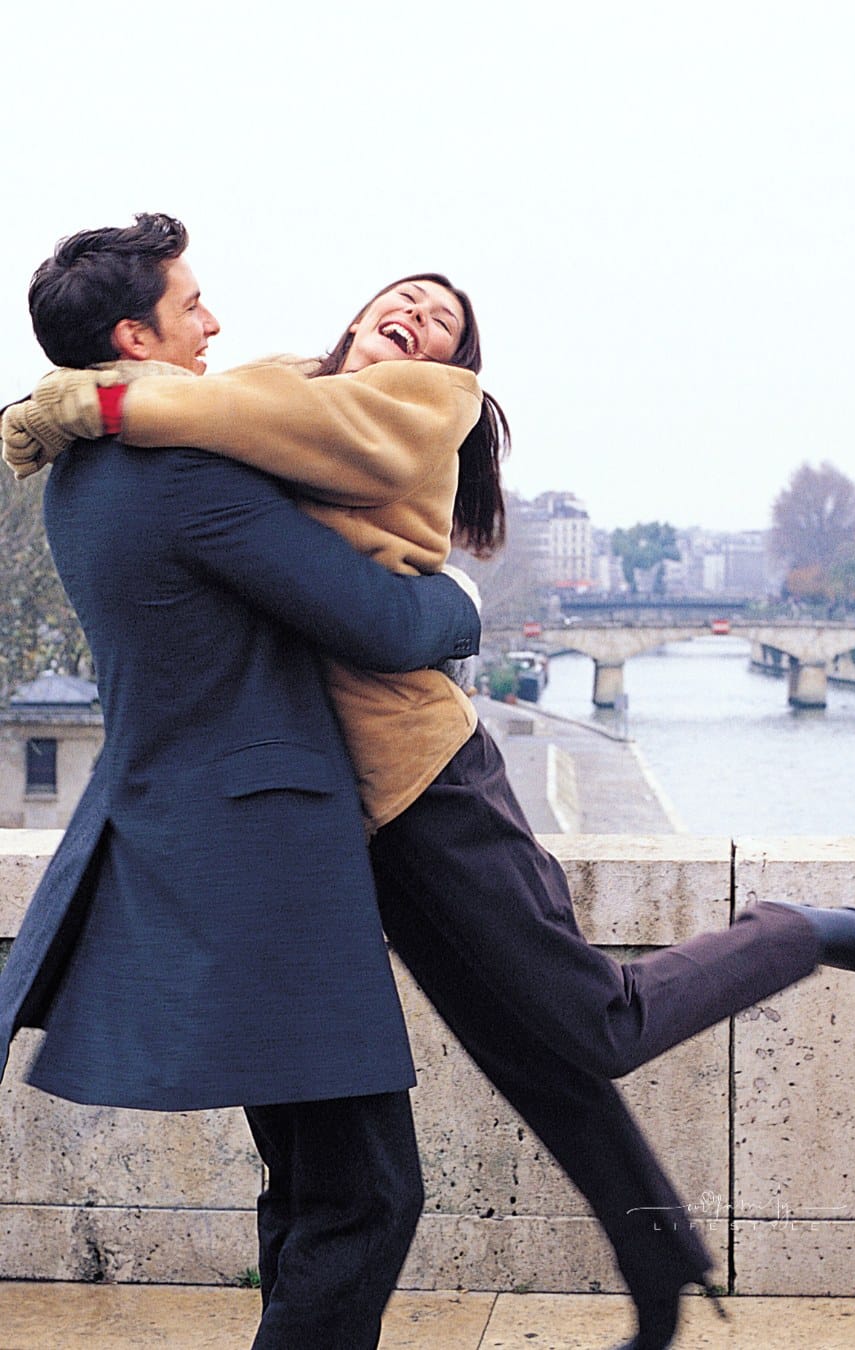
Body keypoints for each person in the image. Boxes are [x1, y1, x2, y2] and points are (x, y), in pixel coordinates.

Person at [6, 262, 855, 1350]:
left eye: (443, 323)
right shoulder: (271, 398)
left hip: (423, 777)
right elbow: (211, 405)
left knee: (585, 1024)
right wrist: (71, 406)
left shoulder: (415, 398)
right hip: (325, 816)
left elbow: (331, 564)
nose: (420, 319)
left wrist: (71, 405)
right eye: (405, 298)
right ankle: (655, 1254)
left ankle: (799, 930)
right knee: (516, 1046)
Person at [0, 215, 483, 1350]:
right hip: (266, 870)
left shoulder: (86, 474)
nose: (215, 322)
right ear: (135, 333)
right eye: (192, 305)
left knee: (314, 1187)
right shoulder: (178, 481)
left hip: (211, 848)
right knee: (369, 1195)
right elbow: (376, 620)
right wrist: (462, 605)